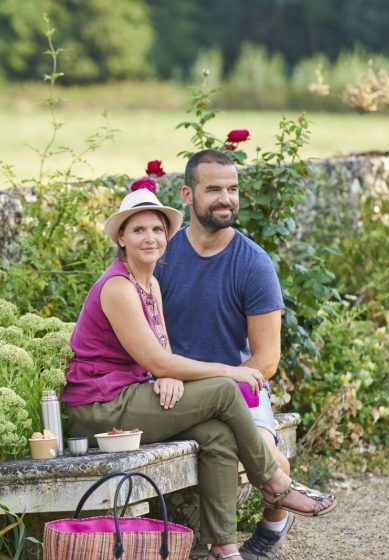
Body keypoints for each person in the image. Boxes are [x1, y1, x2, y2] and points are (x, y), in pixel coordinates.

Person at [62, 182, 336, 560]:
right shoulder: (118, 287)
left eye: (158, 229)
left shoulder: (150, 283)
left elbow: (160, 354)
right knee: (224, 389)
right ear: (121, 238)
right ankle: (273, 481)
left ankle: (223, 548)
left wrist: (170, 374)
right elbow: (157, 362)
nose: (150, 238)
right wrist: (228, 371)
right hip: (100, 408)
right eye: (138, 230)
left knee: (217, 433)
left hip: (132, 394)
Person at [154, 149, 294, 560]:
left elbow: (266, 361)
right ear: (186, 194)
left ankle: (274, 521)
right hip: (171, 388)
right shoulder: (160, 257)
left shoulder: (253, 264)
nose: (226, 198)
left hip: (239, 385)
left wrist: (217, 387)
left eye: (232, 189)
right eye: (213, 188)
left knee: (271, 462)